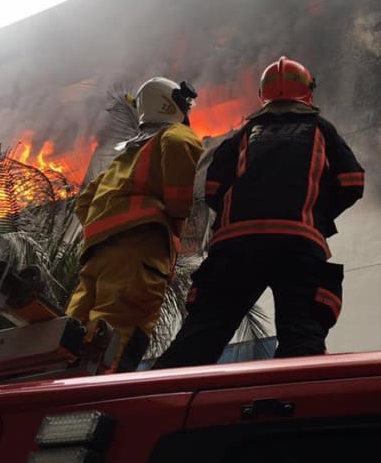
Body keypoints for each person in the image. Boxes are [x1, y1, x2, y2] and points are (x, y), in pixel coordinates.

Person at [152, 56, 364, 369]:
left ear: (264, 95)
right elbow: (352, 182)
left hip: (235, 247)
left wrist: (238, 218)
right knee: (301, 340)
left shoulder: (242, 135)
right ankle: (293, 408)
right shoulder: (321, 130)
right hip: (298, 243)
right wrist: (315, 218)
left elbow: (212, 188)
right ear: (308, 91)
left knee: (200, 337)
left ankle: (159, 405)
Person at [67, 76, 203, 371]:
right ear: (171, 104)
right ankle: (98, 398)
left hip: (96, 257)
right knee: (116, 334)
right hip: (137, 255)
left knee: (72, 332)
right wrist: (177, 210)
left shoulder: (126, 157)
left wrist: (105, 227)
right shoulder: (176, 135)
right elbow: (180, 201)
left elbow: (84, 203)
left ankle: (58, 390)